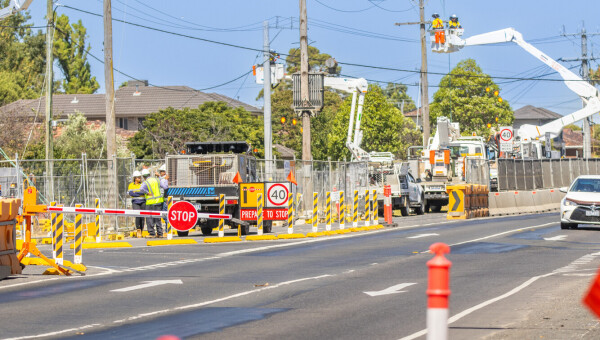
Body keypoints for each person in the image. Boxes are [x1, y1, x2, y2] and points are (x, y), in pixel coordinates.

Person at [139, 168, 167, 238]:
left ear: (143, 176)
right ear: (149, 174)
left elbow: (141, 189)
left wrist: (147, 193)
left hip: (150, 202)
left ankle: (152, 233)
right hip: (159, 202)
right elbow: (165, 187)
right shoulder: (157, 180)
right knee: (157, 218)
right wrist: (165, 180)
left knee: (149, 218)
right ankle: (160, 233)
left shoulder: (146, 182)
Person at [127, 171, 145, 238]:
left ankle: (142, 230)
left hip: (143, 201)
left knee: (142, 216)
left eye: (140, 177)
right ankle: (138, 229)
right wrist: (139, 193)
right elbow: (131, 193)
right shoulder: (131, 185)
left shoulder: (143, 184)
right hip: (135, 202)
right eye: (138, 177)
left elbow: (144, 192)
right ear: (135, 178)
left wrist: (136, 193)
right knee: (137, 215)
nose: (140, 178)